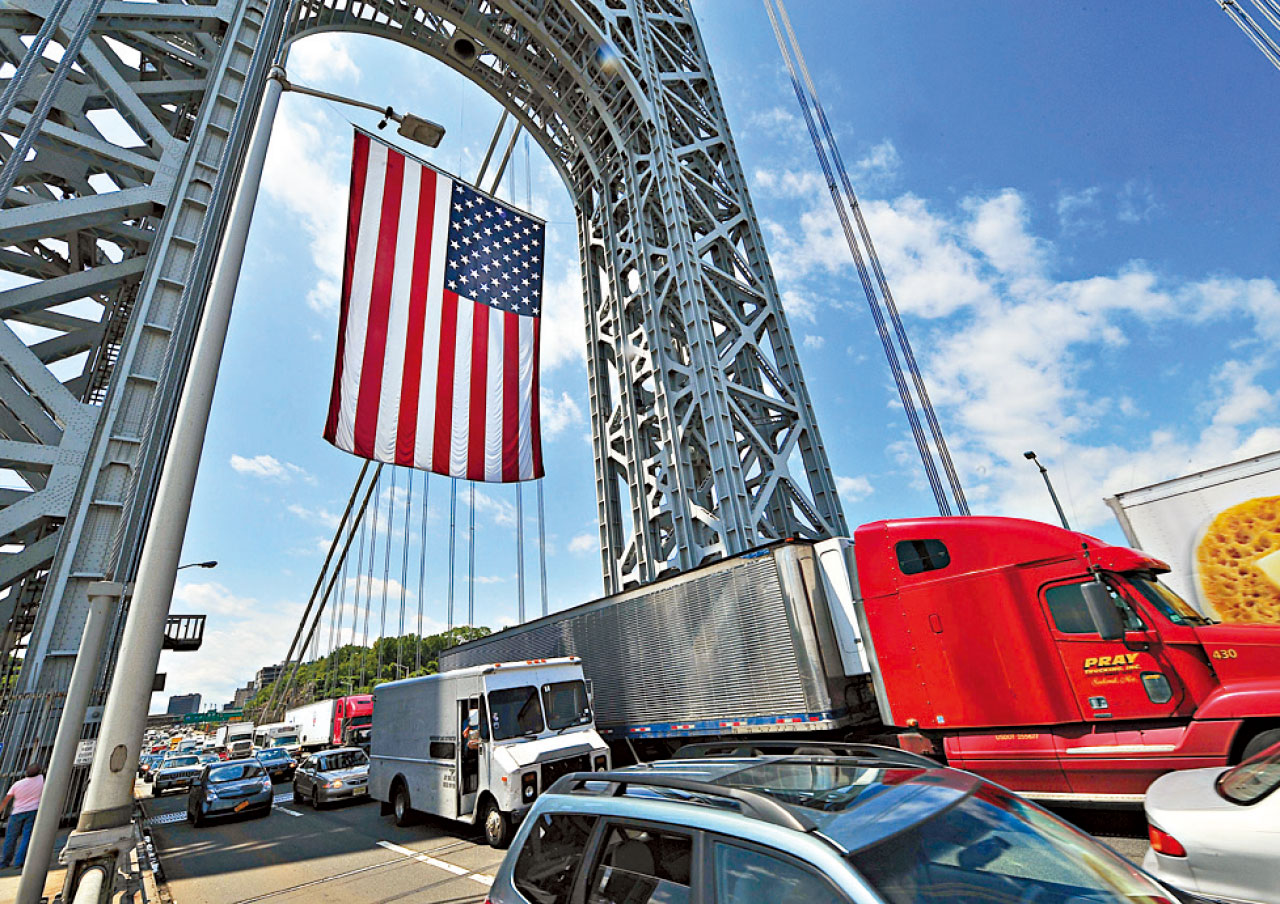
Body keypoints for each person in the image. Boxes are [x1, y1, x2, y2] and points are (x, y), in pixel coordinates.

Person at [1, 762, 44, 870]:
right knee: (27, 837)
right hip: (33, 811)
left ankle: (4, 862)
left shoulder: (17, 784)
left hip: (16, 813)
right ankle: (19, 862)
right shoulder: (41, 780)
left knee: (10, 838)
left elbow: (6, 799)